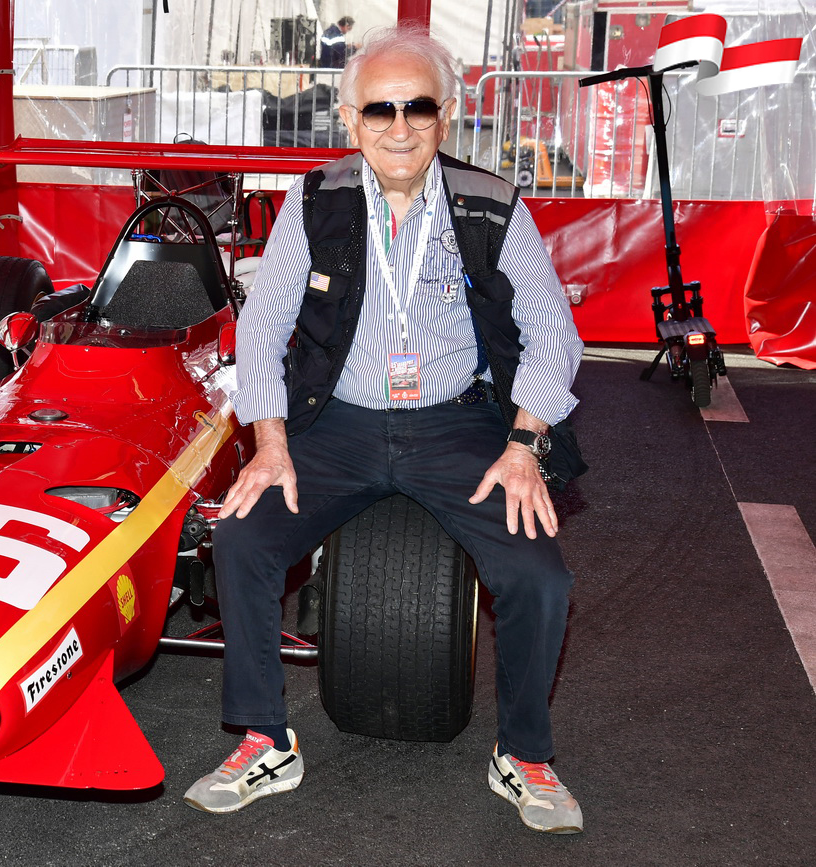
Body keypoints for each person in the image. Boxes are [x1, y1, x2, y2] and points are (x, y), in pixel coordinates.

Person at [183, 24, 586, 834]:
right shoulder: (314, 200)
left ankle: (524, 753)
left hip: (455, 426)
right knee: (242, 537)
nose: (399, 128)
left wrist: (523, 444)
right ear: (349, 117)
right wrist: (270, 442)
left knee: (540, 575)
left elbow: (554, 331)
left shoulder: (492, 203)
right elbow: (263, 327)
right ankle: (265, 739)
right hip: (337, 424)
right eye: (379, 110)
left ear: (447, 115)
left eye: (417, 107)